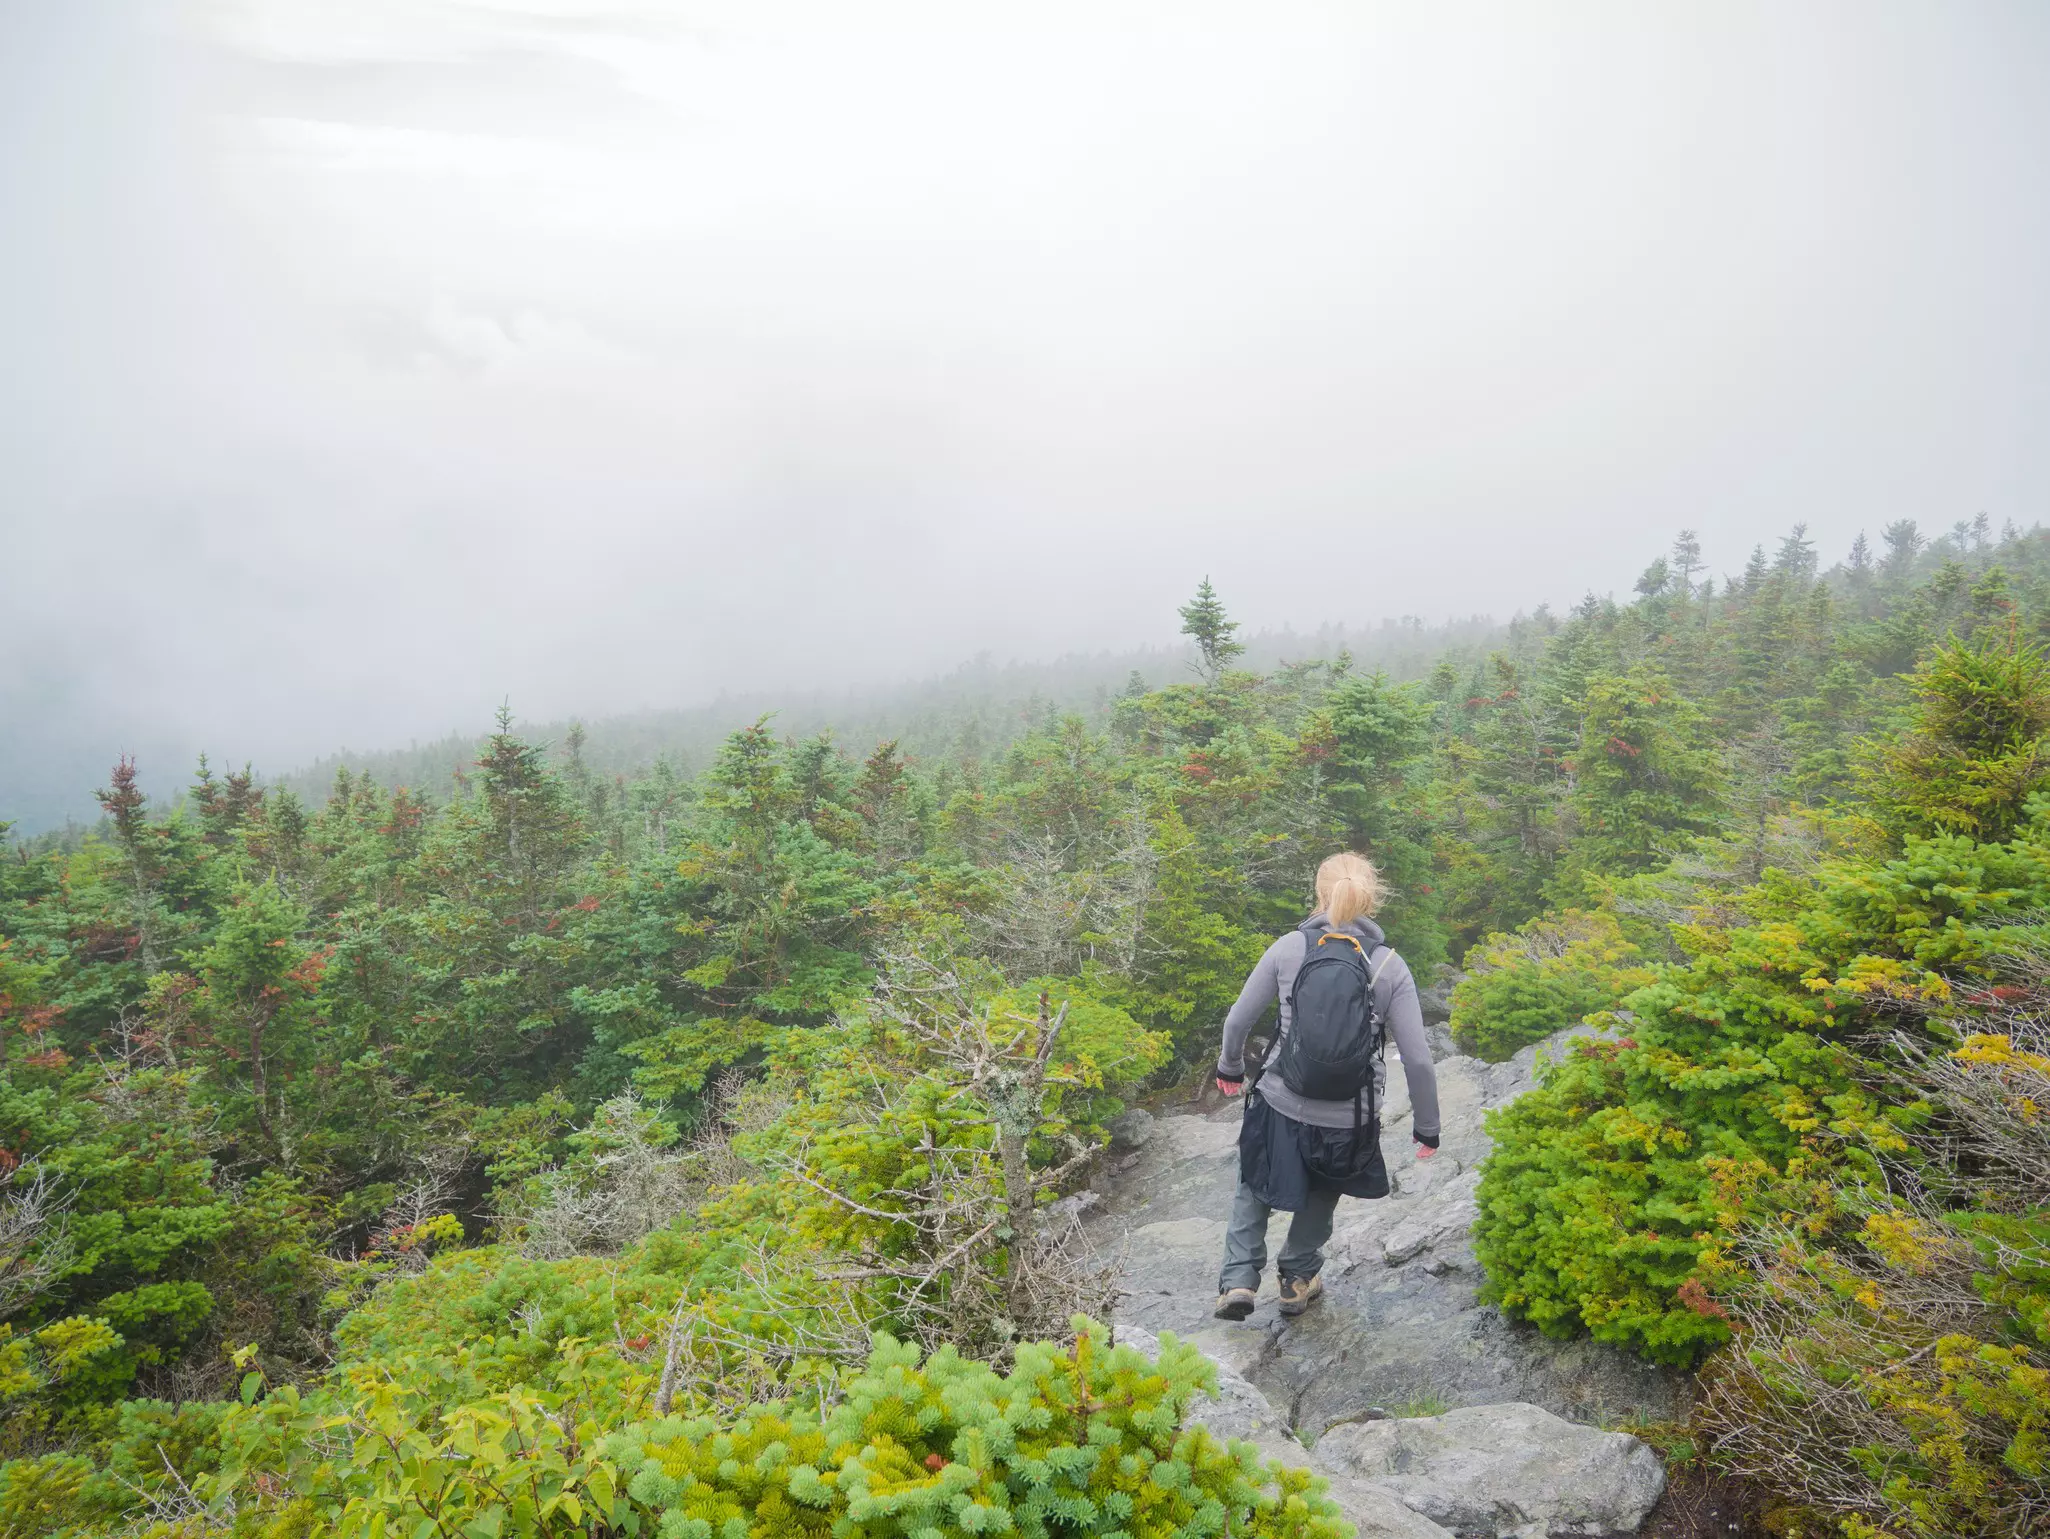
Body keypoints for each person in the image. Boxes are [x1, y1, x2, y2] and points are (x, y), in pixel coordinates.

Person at [1212, 851, 1440, 1320]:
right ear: (1371, 897)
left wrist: (1230, 1068)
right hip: (1348, 1113)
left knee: (1254, 1182)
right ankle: (1296, 1279)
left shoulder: (1289, 948)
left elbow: (1237, 1021)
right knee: (1322, 1192)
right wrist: (1427, 1127)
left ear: (1319, 891)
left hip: (1280, 1099)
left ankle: (1238, 1281)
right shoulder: (1388, 965)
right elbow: (1417, 1058)